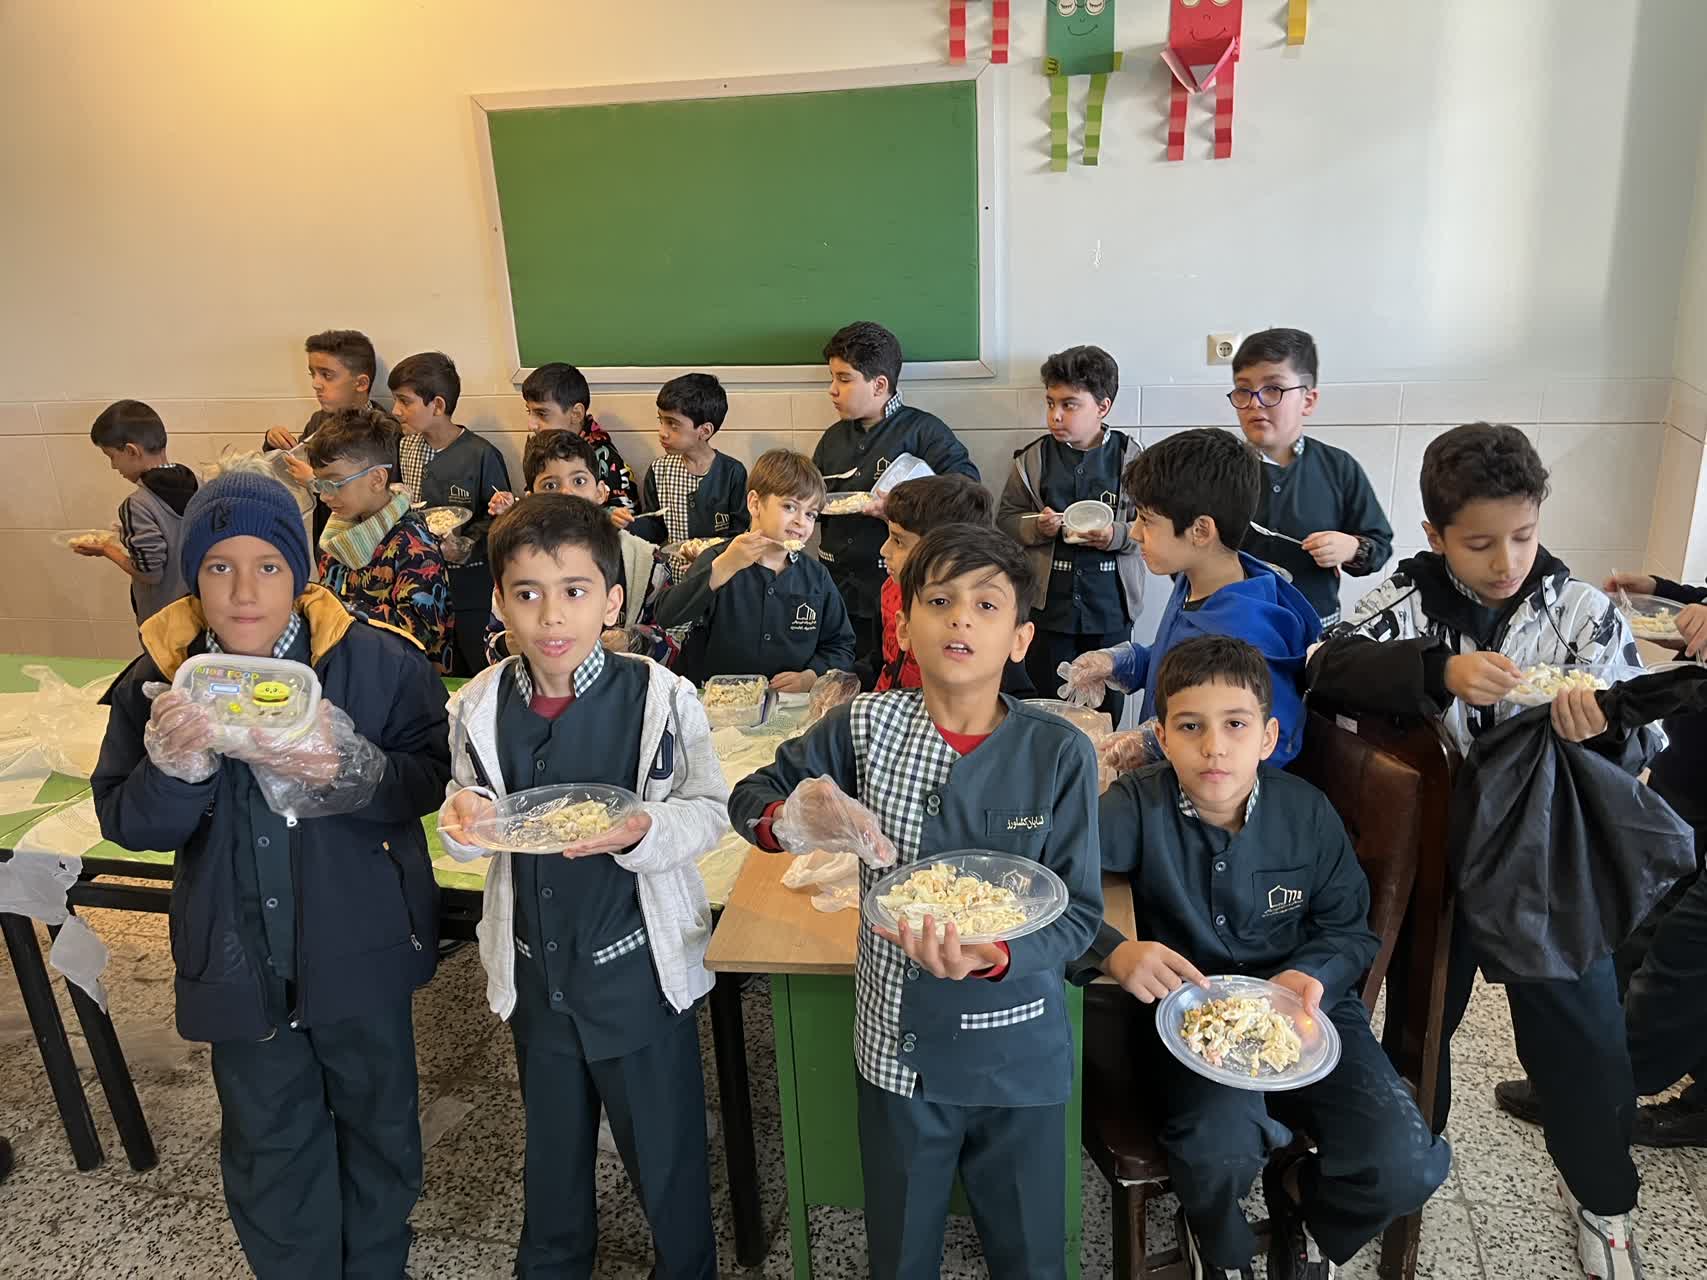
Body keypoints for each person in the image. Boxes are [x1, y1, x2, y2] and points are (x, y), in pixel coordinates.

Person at [1308, 421, 1659, 1280]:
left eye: (1522, 536)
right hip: (1435, 857)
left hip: (1548, 858)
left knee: (1583, 1036)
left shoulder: (1579, 613)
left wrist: (1603, 729)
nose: (1505, 561)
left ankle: (1602, 1199)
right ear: (1435, 535)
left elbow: (1644, 735)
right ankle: (1401, 1169)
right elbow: (1323, 662)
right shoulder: (1402, 599)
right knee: (1419, 1024)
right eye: (1478, 544)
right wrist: (1436, 672)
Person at [91, 470, 450, 1279]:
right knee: (268, 1137)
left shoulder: (379, 663)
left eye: (268, 566)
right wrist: (173, 772)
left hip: (360, 947)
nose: (244, 591)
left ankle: (376, 1265)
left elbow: (428, 780)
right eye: (219, 567)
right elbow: (130, 824)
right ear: (194, 576)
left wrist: (351, 768)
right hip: (235, 957)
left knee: (380, 1124)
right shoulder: (160, 680)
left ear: (302, 571)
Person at [730, 524, 1103, 1279]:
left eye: (986, 604)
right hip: (897, 1050)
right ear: (903, 626)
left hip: (1017, 1054)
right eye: (939, 600)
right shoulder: (864, 726)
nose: (961, 618)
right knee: (900, 1251)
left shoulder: (1057, 751)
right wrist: (791, 819)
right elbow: (752, 797)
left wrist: (996, 953)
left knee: (1031, 1255)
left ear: (1020, 638)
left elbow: (1077, 916)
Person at [1079, 636, 1449, 1279]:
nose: (1214, 747)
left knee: (1405, 1163)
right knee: (1216, 1144)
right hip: (1189, 1021)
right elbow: (1054, 884)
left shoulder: (1307, 814)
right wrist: (1115, 952)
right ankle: (1220, 1243)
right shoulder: (1137, 804)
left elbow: (1349, 929)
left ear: (1268, 737)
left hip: (1306, 1012)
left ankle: (1302, 1199)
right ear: (1161, 738)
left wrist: (1314, 973)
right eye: (1190, 727)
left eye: (1235, 725)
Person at [435, 493, 727, 1279]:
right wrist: (463, 816)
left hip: (637, 975)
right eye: (527, 594)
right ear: (500, 604)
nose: (551, 616)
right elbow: (469, 807)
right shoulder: (479, 704)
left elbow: (707, 809)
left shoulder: (659, 698)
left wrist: (645, 828)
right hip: (536, 974)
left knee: (664, 1152)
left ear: (612, 601)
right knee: (552, 1152)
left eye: (574, 591)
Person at [1496, 569, 1707, 1147]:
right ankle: (1584, 1076)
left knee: (1684, 955)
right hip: (1693, 774)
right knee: (1640, 922)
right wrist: (1673, 595)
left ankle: (1599, 1089)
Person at [1061, 428, 1320, 768]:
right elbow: (1181, 664)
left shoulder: (1249, 633)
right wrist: (1120, 663)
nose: (1135, 533)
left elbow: (1275, 742)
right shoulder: (1194, 580)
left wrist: (1159, 744)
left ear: (1200, 531)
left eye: (1147, 520)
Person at [813, 321, 980, 668]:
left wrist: (900, 506)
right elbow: (811, 495)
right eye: (832, 378)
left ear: (879, 385)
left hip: (896, 590)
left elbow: (968, 493)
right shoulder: (832, 439)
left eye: (844, 379)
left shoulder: (924, 431)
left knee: (885, 672)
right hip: (834, 590)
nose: (832, 390)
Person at [997, 344, 1144, 721]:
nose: (1055, 415)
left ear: (1103, 407)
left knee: (1106, 708)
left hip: (1110, 608)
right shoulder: (1032, 459)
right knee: (1047, 704)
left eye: (1069, 405)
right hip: (1049, 608)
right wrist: (1037, 526)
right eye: (1050, 403)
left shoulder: (1131, 459)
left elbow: (1154, 525)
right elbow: (1006, 518)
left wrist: (1116, 535)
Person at [1229, 329, 1393, 627]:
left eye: (1273, 388)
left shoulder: (1339, 468)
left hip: (1312, 630)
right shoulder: (1217, 468)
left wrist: (1351, 548)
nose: (1255, 402)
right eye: (1243, 389)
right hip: (1234, 624)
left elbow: (1379, 543)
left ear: (1308, 400)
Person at [654, 449, 854, 688]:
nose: (801, 522)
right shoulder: (719, 559)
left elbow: (841, 645)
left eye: (811, 514)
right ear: (755, 503)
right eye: (789, 507)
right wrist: (722, 569)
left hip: (790, 703)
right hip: (718, 701)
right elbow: (667, 617)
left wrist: (811, 676)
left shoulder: (816, 577)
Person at [485, 431, 670, 666]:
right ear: (531, 498)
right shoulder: (516, 562)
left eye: (579, 481)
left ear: (601, 492)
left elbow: (671, 642)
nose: (567, 493)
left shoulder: (645, 561)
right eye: (550, 485)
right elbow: (493, 645)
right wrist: (514, 642)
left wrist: (631, 641)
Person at [388, 351, 512, 675]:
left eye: (405, 401)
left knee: (477, 668)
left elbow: (501, 520)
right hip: (417, 587)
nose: (395, 411)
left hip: (470, 591)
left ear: (438, 405)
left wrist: (466, 545)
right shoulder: (404, 448)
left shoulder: (481, 455)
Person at [304, 405, 452, 671]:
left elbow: (421, 634)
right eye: (319, 484)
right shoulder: (335, 536)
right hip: (347, 668)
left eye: (334, 483)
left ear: (377, 479)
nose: (324, 496)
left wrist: (337, 612)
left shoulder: (413, 544)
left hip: (402, 679)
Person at [875, 474, 1030, 695]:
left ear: (942, 550)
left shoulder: (989, 624)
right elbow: (882, 660)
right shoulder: (891, 589)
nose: (884, 550)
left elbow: (1015, 693)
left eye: (899, 541)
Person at [79, 399, 199, 625]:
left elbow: (150, 573)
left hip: (163, 626)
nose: (113, 466)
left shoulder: (137, 505)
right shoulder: (200, 485)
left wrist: (106, 550)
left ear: (131, 451)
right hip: (203, 615)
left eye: (112, 457)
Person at [263, 329, 388, 543]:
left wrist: (315, 482)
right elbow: (294, 468)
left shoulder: (382, 430)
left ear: (361, 383)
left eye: (327, 375)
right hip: (326, 544)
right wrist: (273, 443)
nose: (316, 384)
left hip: (368, 547)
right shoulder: (318, 422)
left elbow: (383, 498)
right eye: (313, 374)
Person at [630, 372, 750, 582]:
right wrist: (628, 525)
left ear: (704, 431)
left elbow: (738, 534)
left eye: (673, 424)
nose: (662, 432)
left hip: (716, 580)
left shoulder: (732, 473)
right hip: (672, 581)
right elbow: (655, 527)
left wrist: (708, 561)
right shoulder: (659, 470)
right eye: (661, 420)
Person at [484, 362, 639, 514]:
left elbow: (625, 521)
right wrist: (514, 508)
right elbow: (538, 504)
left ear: (576, 414)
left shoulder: (605, 458)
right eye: (529, 411)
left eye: (541, 413)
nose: (531, 425)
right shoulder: (541, 449)